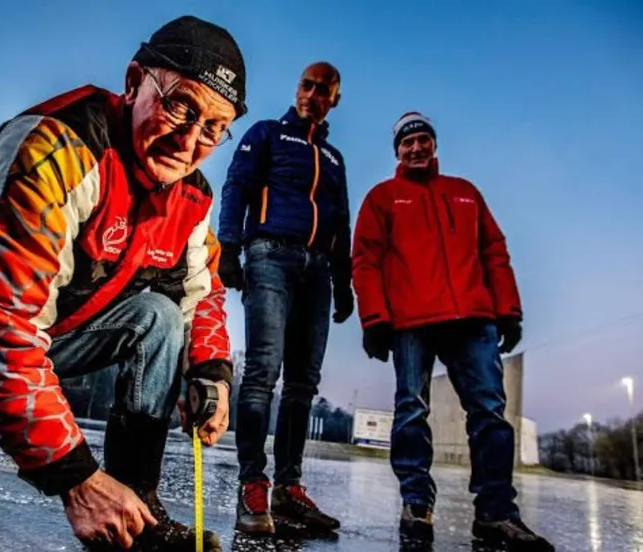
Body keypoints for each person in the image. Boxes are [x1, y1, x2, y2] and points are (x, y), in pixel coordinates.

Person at [0, 15, 247, 551]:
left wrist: (212, 373)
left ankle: (138, 506)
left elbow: (203, 291)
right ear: (132, 82)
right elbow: (0, 324)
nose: (190, 140)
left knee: (162, 316)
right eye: (179, 106)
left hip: (51, 333)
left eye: (215, 127)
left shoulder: (190, 195)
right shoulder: (54, 150)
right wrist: (76, 479)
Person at [351, 112, 554, 550]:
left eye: (423, 140)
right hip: (411, 321)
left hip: (472, 321)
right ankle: (417, 506)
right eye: (408, 143)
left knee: (490, 415)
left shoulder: (465, 194)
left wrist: (509, 311)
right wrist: (374, 319)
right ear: (397, 152)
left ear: (434, 145)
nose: (417, 148)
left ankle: (496, 513)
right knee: (410, 410)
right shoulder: (382, 198)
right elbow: (365, 260)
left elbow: (494, 251)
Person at [217, 62, 353, 535]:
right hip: (270, 256)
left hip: (318, 271)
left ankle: (289, 489)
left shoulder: (334, 159)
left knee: (302, 384)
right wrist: (229, 247)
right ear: (298, 89)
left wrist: (345, 281)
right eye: (307, 85)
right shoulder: (268, 134)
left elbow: (341, 224)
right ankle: (252, 484)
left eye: (323, 90)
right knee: (262, 373)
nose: (312, 95)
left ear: (334, 99)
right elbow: (237, 186)